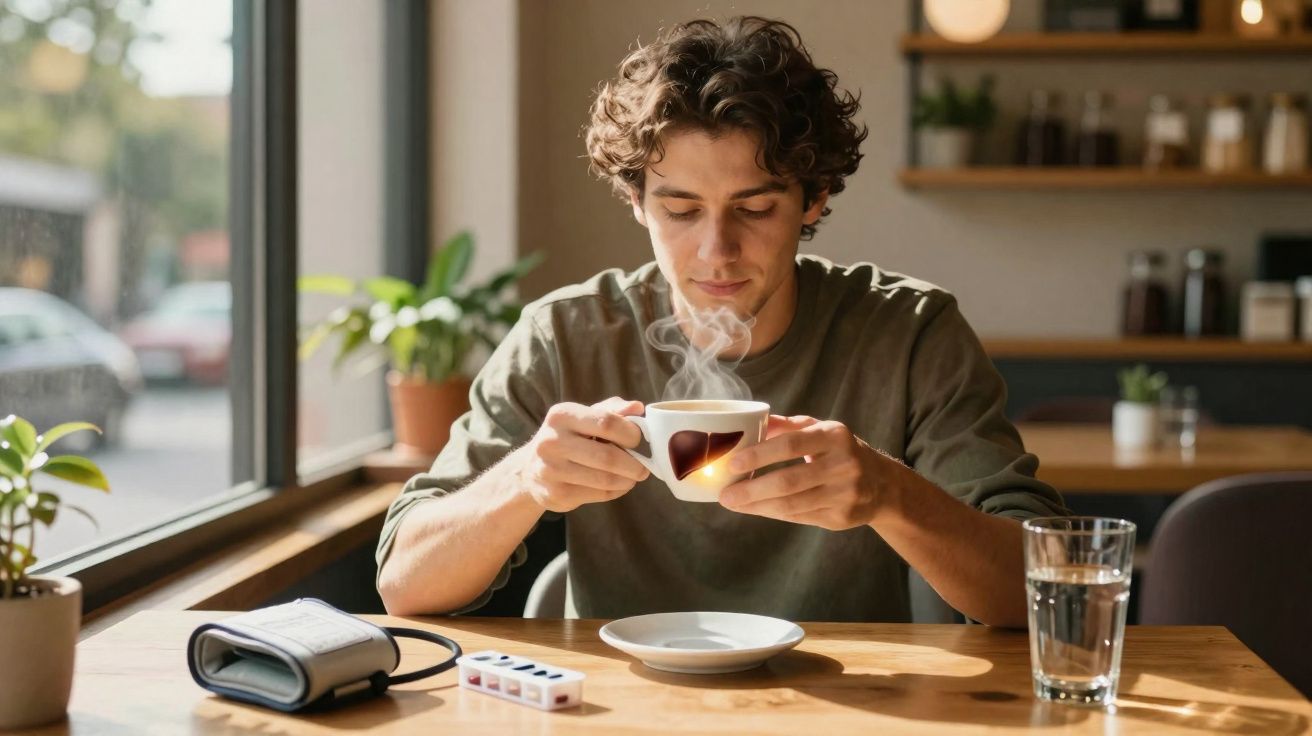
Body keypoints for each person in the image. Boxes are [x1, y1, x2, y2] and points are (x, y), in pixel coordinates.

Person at [376, 16, 1066, 627]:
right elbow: (404, 583)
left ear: (815, 197)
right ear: (637, 203)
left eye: (756, 208)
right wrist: (525, 479)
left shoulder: (910, 334)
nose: (716, 251)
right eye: (680, 210)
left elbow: (1047, 589)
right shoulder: (565, 339)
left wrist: (888, 493)